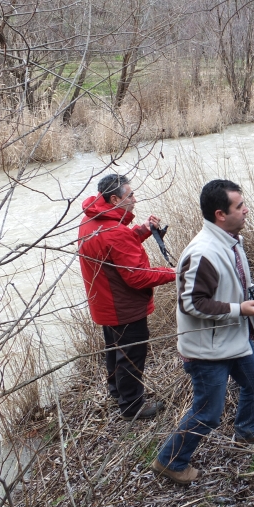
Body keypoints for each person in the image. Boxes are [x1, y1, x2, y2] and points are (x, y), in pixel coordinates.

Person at [152, 180, 254, 485]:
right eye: (240, 206)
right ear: (220, 214)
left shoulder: (229, 240)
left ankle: (248, 429)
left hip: (230, 338)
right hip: (207, 349)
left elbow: (223, 286)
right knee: (208, 413)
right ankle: (170, 461)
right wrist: (240, 310)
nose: (246, 209)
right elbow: (191, 303)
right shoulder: (202, 253)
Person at [78, 174, 175, 420]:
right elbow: (138, 277)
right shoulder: (113, 231)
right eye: (130, 195)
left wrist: (142, 230)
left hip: (104, 305)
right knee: (131, 357)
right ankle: (132, 407)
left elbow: (115, 249)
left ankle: (117, 393)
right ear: (114, 199)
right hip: (124, 308)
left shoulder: (91, 221)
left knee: (114, 351)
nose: (135, 199)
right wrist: (175, 272)